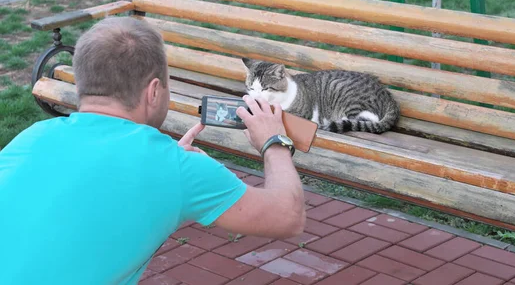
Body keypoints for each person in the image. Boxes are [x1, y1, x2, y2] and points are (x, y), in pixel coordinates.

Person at [0, 17, 306, 284]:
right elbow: (288, 216)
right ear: (154, 91)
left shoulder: (31, 138)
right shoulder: (176, 169)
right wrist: (274, 141)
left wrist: (169, 174)